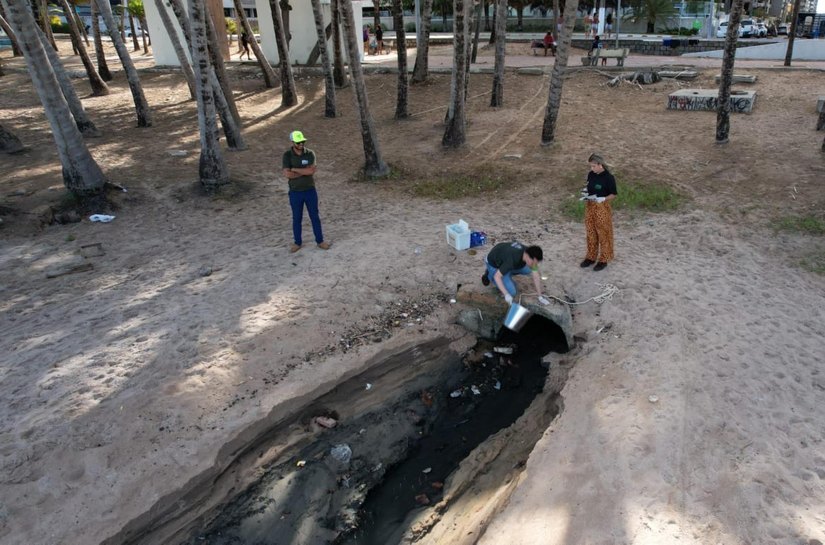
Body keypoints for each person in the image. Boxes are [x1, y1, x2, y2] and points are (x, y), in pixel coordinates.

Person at [282, 130, 331, 253]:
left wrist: (295, 169)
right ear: (293, 142)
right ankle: (297, 242)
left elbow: (311, 171)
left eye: (303, 142)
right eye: (298, 142)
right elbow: (288, 174)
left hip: (310, 191)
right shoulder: (287, 155)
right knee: (297, 218)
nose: (301, 144)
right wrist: (303, 171)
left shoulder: (310, 154)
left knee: (314, 216)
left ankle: (320, 241)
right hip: (295, 192)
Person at [580, 153, 617, 271]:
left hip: (602, 207)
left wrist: (604, 199)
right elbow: (588, 186)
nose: (591, 168)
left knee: (603, 233)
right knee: (590, 232)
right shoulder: (591, 174)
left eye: (593, 166)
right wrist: (585, 192)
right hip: (590, 205)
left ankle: (604, 259)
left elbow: (613, 194)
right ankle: (590, 257)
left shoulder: (609, 177)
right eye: (590, 166)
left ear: (600, 165)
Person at [481, 242, 545, 304]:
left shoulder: (530, 253)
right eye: (533, 262)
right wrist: (506, 294)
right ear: (528, 256)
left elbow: (536, 276)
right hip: (494, 263)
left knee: (528, 270)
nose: (534, 264)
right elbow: (497, 277)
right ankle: (489, 274)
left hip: (504, 259)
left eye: (535, 263)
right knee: (511, 292)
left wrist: (540, 297)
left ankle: (505, 273)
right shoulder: (512, 259)